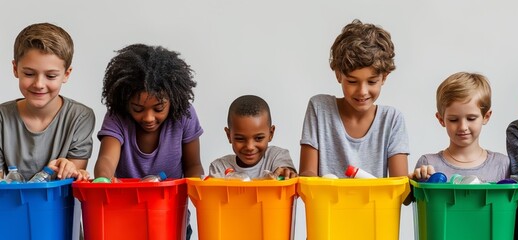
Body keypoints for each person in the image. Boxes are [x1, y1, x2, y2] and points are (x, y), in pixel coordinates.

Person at [93, 44, 203, 239]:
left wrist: (199, 195)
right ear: (125, 102)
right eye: (137, 109)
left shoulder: (184, 115)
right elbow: (107, 159)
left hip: (171, 218)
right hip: (125, 219)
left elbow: (193, 165)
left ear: (173, 100)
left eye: (159, 108)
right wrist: (104, 180)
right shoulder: (117, 116)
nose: (149, 118)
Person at [298, 19, 409, 178]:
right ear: (338, 74)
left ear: (384, 77)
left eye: (371, 82)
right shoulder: (319, 108)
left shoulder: (392, 120)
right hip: (327, 203)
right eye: (352, 81)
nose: (362, 91)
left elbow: (401, 190)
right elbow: (307, 176)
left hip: (378, 204)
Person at [0, 23, 94, 181]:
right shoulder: (3, 118)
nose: (39, 84)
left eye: (50, 76)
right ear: (15, 69)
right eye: (29, 73)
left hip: (58, 205)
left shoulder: (80, 117)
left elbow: (75, 178)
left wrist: (70, 168)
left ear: (66, 74)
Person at [411, 72, 510, 182]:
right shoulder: (428, 164)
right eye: (453, 120)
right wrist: (416, 184)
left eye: (471, 118)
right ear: (441, 119)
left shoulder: (502, 165)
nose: (463, 127)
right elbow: (410, 199)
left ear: (486, 116)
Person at [209, 95, 297, 179]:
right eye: (240, 139)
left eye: (258, 138)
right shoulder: (219, 168)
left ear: (271, 133)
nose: (250, 147)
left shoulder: (276, 156)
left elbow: (287, 173)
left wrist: (287, 173)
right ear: (229, 135)